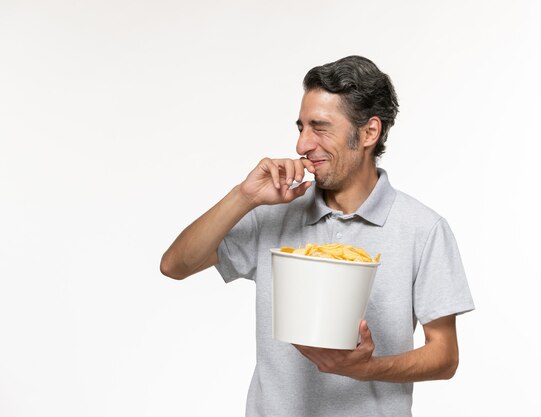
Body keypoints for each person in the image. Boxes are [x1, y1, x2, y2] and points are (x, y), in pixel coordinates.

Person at [160, 55, 475, 417]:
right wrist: (243, 196)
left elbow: (445, 356)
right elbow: (175, 265)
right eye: (301, 127)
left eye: (320, 127)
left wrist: (364, 369)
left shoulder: (423, 229)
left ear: (369, 132)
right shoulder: (274, 214)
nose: (302, 145)